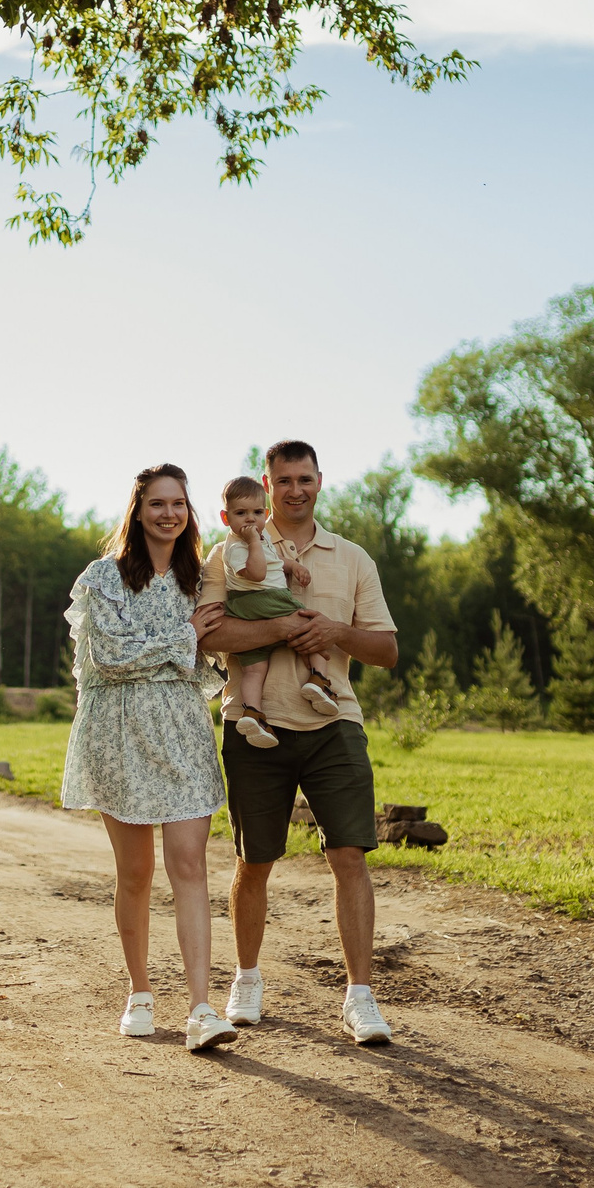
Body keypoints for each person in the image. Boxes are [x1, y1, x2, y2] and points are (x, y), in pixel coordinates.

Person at [194, 441, 400, 1045]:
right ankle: (248, 978)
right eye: (282, 480)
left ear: (319, 482)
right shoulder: (228, 550)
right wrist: (282, 626)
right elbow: (211, 632)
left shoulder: (352, 559)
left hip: (335, 723)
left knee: (350, 855)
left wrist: (335, 630)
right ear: (266, 483)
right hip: (254, 725)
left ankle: (360, 998)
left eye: (304, 479)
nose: (294, 490)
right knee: (254, 860)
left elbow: (386, 650)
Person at [59, 463, 239, 1053]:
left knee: (189, 866)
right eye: (157, 504)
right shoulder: (104, 577)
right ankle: (139, 992)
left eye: (178, 504)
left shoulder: (201, 581)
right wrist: (183, 638)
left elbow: (211, 661)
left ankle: (201, 1008)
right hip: (118, 735)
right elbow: (111, 657)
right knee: (135, 872)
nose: (169, 514)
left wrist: (185, 642)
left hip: (183, 733)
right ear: (137, 510)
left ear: (188, 512)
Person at [214, 475, 347, 749]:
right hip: (263, 600)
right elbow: (259, 571)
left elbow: (273, 562)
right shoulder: (237, 546)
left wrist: (293, 567)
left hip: (246, 610)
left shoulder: (259, 539)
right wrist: (253, 542)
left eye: (256, 513)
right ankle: (319, 680)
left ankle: (252, 712)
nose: (250, 520)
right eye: (241, 514)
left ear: (265, 513)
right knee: (311, 625)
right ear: (226, 519)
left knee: (254, 669)